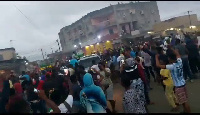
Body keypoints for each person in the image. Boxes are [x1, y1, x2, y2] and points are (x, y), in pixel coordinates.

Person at [155, 48, 191, 113]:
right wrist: (172, 49)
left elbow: (158, 65)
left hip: (178, 86)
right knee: (183, 101)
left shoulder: (172, 66)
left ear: (170, 59)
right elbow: (178, 54)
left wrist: (156, 58)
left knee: (184, 102)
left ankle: (188, 111)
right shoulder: (180, 61)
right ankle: (185, 111)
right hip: (183, 84)